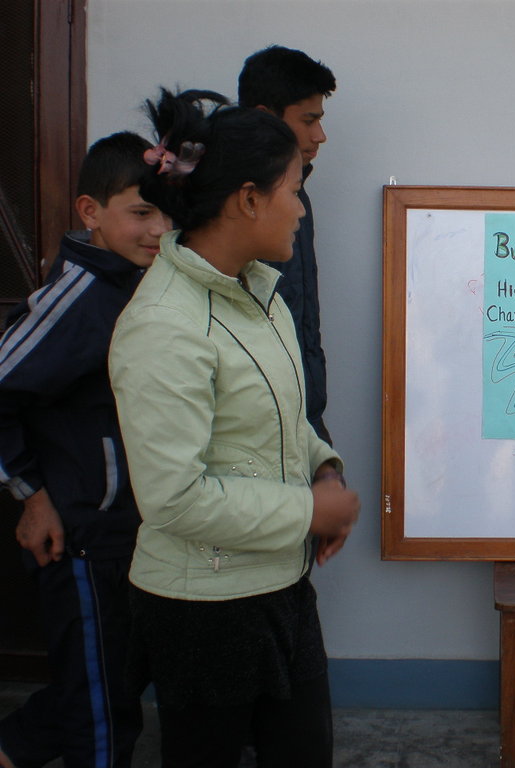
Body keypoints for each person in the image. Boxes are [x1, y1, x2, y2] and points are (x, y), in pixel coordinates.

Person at [107, 89, 360, 767]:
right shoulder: (164, 324)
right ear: (248, 199)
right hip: (203, 610)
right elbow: (173, 498)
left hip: (280, 586)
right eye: (293, 191)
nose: (300, 209)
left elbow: (284, 420)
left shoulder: (259, 294)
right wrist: (309, 511)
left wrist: (323, 469)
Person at [0, 132, 171, 768]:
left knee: (108, 683)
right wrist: (32, 496)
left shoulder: (139, 285)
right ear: (90, 211)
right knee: (102, 716)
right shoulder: (77, 298)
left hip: (128, 531)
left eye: (166, 213)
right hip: (81, 535)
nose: (159, 230)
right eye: (141, 212)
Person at [238, 45, 336, 443]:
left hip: (302, 425)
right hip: (257, 436)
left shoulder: (298, 196)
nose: (320, 136)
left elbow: (299, 321)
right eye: (308, 120)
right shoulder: (227, 207)